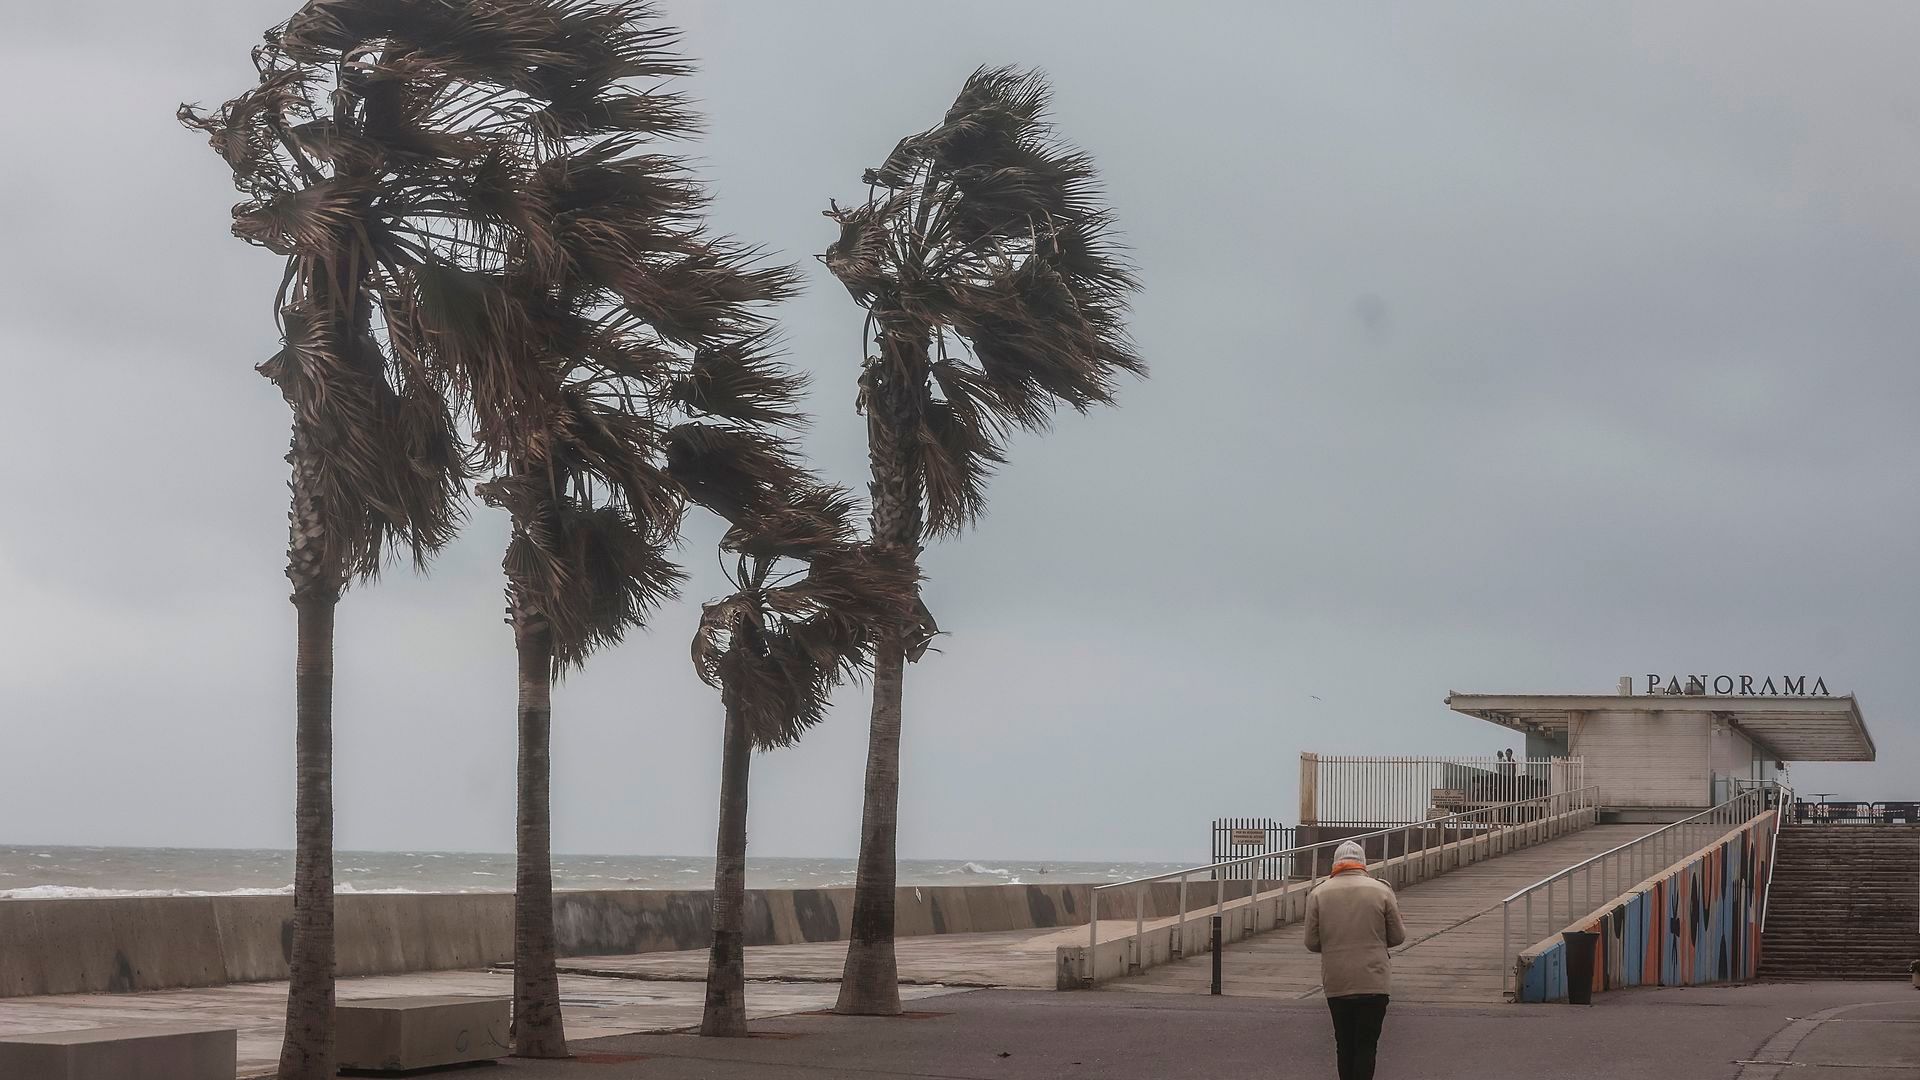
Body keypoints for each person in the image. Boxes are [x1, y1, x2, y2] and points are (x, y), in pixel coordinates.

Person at [1305, 840, 1407, 1080]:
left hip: (1337, 981)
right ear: (1363, 863)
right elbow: (1398, 936)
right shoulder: (1381, 890)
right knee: (1366, 1045)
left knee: (1344, 1043)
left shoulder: (1318, 893)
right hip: (1374, 981)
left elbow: (1311, 942)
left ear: (1335, 863)